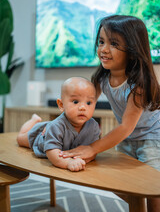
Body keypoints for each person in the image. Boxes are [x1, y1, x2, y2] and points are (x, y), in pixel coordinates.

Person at [59, 15, 160, 211]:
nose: (104, 49)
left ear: (132, 49)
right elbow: (81, 106)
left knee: (153, 188)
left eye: (113, 43)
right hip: (127, 139)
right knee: (119, 183)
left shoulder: (137, 85)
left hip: (152, 138)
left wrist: (93, 148)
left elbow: (125, 127)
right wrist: (58, 127)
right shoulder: (101, 77)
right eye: (101, 42)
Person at [17, 77, 100, 172]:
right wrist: (68, 162)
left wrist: (82, 159)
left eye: (89, 103)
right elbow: (52, 153)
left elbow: (93, 150)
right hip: (39, 136)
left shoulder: (93, 126)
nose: (82, 107)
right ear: (61, 105)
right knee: (20, 139)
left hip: (52, 129)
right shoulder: (56, 126)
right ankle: (34, 120)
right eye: (75, 102)